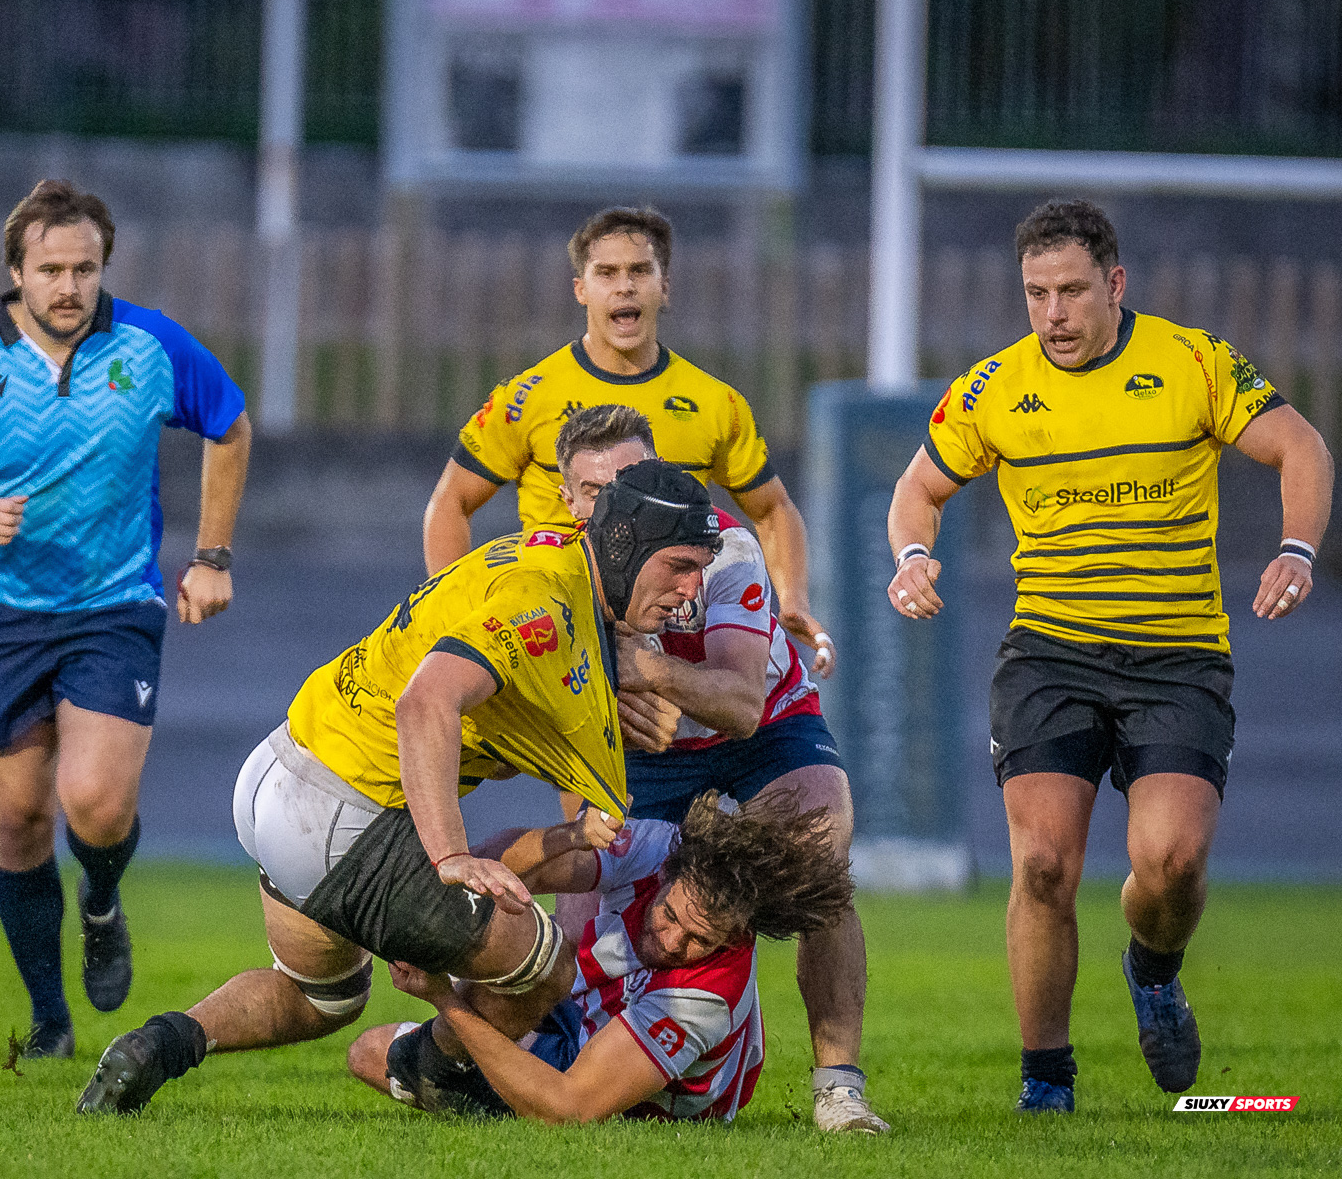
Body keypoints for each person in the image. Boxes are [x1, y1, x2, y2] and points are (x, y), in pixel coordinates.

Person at [75, 459, 721, 1115]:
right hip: (343, 809)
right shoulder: (546, 607)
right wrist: (449, 855)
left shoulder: (543, 556)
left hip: (281, 768)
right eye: (680, 565)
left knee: (321, 996)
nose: (692, 590)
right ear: (624, 544)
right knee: (546, 967)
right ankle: (431, 1076)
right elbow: (427, 700)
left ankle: (159, 1044)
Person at [886, 199, 1333, 1113]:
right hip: (1050, 653)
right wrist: (912, 554)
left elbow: (1300, 446)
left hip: (1178, 656)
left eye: (1072, 291)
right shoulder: (994, 389)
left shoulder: (1192, 363)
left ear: (1115, 284)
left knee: (1170, 863)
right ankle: (1045, 1080)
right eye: (1036, 293)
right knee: (1044, 865)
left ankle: (1153, 967)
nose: (1053, 313)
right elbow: (917, 488)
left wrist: (1296, 548)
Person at [0, 180, 251, 1058]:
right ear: (15, 271)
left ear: (104, 268)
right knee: (18, 818)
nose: (68, 286)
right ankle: (51, 1020)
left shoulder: (150, 345)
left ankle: (101, 898)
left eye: (84, 268)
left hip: (111, 608)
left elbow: (231, 422)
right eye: (50, 269)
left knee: (92, 803)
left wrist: (211, 557)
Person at [549, 404, 888, 1133]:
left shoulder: (722, 547)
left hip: (762, 725)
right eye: (597, 490)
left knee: (817, 854)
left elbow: (739, 700)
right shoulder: (549, 566)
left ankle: (839, 1085)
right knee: (580, 873)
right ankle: (577, 1054)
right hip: (644, 751)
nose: (620, 502)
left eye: (635, 478)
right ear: (568, 500)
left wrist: (647, 669)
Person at [421, 205, 835, 678]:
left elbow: (773, 509)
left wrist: (794, 598)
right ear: (581, 289)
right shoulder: (527, 396)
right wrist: (450, 610)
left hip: (668, 640)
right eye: (606, 272)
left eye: (640, 270)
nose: (624, 286)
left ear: (664, 286)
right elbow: (451, 501)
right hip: (559, 629)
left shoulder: (715, 403)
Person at [347, 793, 853, 1124]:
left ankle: (469, 1088)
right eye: (670, 916)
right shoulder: (661, 847)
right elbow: (499, 862)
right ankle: (464, 1077)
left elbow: (570, 1108)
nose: (674, 943)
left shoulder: (703, 997)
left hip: (630, 1098)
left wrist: (444, 999)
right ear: (668, 875)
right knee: (370, 1049)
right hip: (584, 1017)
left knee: (372, 1056)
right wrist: (571, 834)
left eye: (701, 939)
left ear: (736, 933)